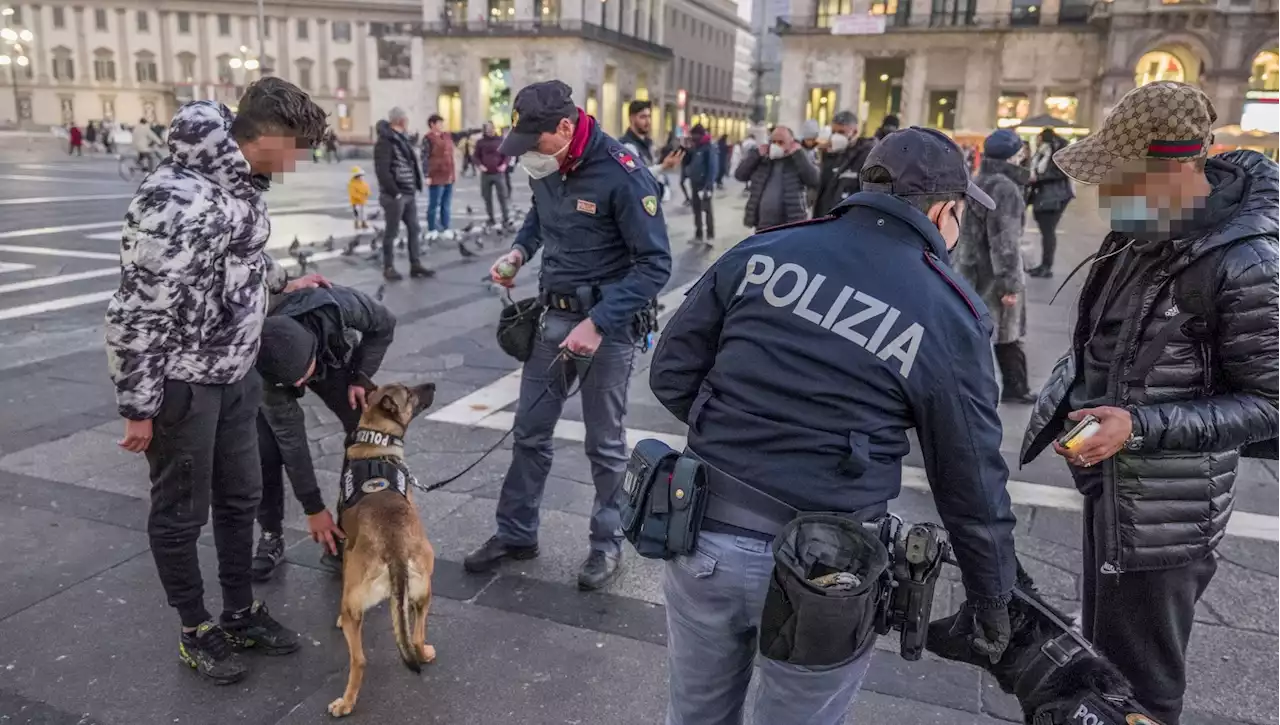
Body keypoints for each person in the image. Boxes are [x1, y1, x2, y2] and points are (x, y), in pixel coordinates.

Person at [650, 126, 1016, 725]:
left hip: (706, 536)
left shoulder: (763, 252)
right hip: (829, 567)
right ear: (946, 211)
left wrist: (738, 430)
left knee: (694, 714)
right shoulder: (945, 307)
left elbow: (670, 373)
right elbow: (970, 479)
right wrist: (993, 597)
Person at [1020, 81, 1280, 725]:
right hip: (1114, 488)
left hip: (1168, 514)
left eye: (1120, 176)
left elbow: (1271, 404)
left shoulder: (1246, 261)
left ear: (1171, 170)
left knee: (1143, 690)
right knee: (1103, 664)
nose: (1106, 191)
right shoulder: (1143, 232)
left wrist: (1137, 426)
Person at [105, 78, 329, 685]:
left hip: (236, 369)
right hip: (183, 381)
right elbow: (138, 309)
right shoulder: (178, 198)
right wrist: (138, 404)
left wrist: (283, 284)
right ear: (269, 138)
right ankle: (194, 626)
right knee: (181, 512)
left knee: (241, 497)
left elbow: (243, 258)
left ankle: (238, 611)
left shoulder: (241, 184)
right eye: (298, 149)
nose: (300, 162)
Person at [467, 80, 672, 590]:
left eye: (535, 141)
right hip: (552, 318)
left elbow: (655, 265)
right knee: (529, 431)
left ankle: (606, 546)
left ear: (565, 127)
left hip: (609, 328)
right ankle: (516, 533)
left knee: (605, 446)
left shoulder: (624, 174)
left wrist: (598, 323)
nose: (528, 156)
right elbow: (540, 217)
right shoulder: (548, 164)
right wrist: (518, 252)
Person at [250, 283, 397, 581]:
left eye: (303, 379)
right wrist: (313, 508)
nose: (300, 387)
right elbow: (292, 441)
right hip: (274, 368)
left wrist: (360, 376)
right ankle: (270, 533)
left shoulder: (341, 305)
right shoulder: (269, 370)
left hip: (335, 354)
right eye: (294, 384)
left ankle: (346, 533)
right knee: (265, 448)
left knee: (364, 430)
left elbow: (385, 324)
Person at [954, 129, 1035, 404]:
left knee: (978, 331)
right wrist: (1009, 284)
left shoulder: (979, 180)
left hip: (971, 268)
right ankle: (1015, 387)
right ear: (1014, 155)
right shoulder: (1005, 187)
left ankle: (1012, 386)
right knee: (1005, 332)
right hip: (992, 272)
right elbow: (1005, 242)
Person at [374, 107, 433, 282]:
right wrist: (395, 192)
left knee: (414, 228)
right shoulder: (385, 141)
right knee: (391, 232)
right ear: (400, 120)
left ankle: (415, 264)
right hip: (395, 195)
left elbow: (409, 164)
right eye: (406, 118)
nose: (408, 121)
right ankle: (388, 267)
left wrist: (414, 186)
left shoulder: (401, 138)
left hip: (408, 193)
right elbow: (382, 170)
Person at [734, 125, 819, 231]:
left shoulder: (797, 160)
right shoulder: (763, 159)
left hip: (789, 225)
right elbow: (740, 175)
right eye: (773, 142)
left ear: (791, 143)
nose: (776, 145)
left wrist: (799, 155)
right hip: (763, 225)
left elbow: (814, 180)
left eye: (781, 142)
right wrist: (756, 155)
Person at [1026, 127, 1074, 278]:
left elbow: (1059, 173)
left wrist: (1038, 179)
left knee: (1048, 232)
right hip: (1046, 195)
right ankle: (1044, 265)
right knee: (1046, 232)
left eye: (1039, 138)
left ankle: (1046, 267)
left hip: (1054, 197)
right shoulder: (1044, 151)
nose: (1037, 141)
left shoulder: (1056, 153)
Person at [422, 114, 477, 242]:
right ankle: (432, 229)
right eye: (439, 123)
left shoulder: (447, 136)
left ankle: (445, 228)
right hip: (435, 175)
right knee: (433, 204)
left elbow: (462, 134)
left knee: (446, 204)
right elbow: (424, 157)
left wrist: (475, 130)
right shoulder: (428, 139)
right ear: (432, 124)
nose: (442, 125)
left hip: (448, 175)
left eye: (442, 123)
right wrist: (426, 175)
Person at [812, 109, 877, 216]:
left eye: (841, 132)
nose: (836, 136)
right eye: (833, 132)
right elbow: (823, 190)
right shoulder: (834, 155)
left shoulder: (867, 156)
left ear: (855, 132)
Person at [620, 100, 684, 200]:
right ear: (632, 118)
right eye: (643, 117)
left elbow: (655, 172)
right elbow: (636, 175)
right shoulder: (627, 146)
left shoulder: (649, 144)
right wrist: (663, 167)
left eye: (649, 116)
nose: (648, 121)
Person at [474, 121, 513, 228]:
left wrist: (504, 165)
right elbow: (475, 156)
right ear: (485, 130)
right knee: (487, 197)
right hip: (486, 174)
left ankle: (506, 218)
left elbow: (507, 155)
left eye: (491, 128)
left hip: (498, 173)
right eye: (488, 129)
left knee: (502, 197)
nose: (490, 131)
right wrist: (480, 165)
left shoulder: (500, 140)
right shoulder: (480, 142)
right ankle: (491, 218)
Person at [685, 123, 718, 244]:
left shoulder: (708, 147)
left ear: (699, 134)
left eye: (694, 135)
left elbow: (712, 167)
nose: (692, 137)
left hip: (704, 185)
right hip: (694, 183)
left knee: (707, 210)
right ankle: (698, 235)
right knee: (696, 210)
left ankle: (710, 236)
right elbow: (689, 162)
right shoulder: (696, 147)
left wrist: (708, 186)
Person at [348, 166, 370, 230]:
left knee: (364, 213)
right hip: (356, 202)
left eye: (362, 176)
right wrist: (360, 197)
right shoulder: (352, 184)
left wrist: (367, 193)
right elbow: (353, 193)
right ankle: (356, 223)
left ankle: (364, 223)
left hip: (363, 202)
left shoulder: (364, 183)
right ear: (355, 176)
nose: (361, 177)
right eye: (359, 176)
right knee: (356, 213)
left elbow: (367, 190)